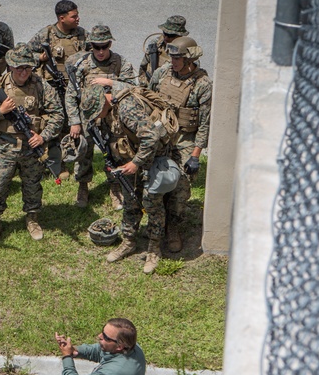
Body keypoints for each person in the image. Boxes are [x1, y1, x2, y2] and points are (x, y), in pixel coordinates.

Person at [83, 81, 180, 273]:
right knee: (130, 202)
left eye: (97, 113)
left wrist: (136, 163)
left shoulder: (127, 108)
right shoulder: (111, 104)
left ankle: (154, 248)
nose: (97, 118)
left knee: (152, 203)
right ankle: (129, 241)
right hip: (129, 159)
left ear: (104, 102)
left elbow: (150, 136)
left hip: (151, 158)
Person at [0, 44, 64, 243]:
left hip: (31, 147)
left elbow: (58, 115)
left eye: (27, 67)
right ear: (10, 66)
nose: (24, 72)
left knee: (32, 185)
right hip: (4, 146)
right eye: (19, 68)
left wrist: (43, 136)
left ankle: (32, 218)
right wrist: (0, 111)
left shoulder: (41, 85)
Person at [148, 35, 212, 253]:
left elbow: (204, 123)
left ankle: (173, 226)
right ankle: (154, 219)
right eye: (171, 57)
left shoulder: (202, 85)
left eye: (177, 58)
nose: (172, 61)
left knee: (181, 185)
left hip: (186, 139)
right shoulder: (162, 73)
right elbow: (148, 99)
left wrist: (195, 155)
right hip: (161, 133)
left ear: (189, 59)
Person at [64, 25, 137, 209]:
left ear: (110, 44)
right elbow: (71, 95)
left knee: (114, 153)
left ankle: (114, 187)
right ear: (91, 45)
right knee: (84, 154)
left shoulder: (120, 63)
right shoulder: (83, 65)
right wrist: (74, 122)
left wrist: (111, 83)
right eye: (97, 47)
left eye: (105, 46)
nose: (101, 51)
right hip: (88, 119)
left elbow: (133, 88)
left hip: (112, 119)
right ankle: (82, 186)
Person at [28, 0, 86, 87]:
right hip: (52, 86)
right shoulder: (46, 34)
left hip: (77, 83)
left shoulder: (82, 34)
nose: (78, 18)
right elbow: (25, 55)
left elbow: (96, 52)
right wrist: (40, 57)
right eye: (74, 17)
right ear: (62, 18)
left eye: (77, 15)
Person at [139, 15, 188, 88]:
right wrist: (144, 87)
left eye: (171, 35)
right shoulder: (155, 45)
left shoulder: (187, 51)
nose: (166, 38)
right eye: (165, 33)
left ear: (180, 36)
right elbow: (143, 68)